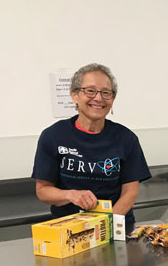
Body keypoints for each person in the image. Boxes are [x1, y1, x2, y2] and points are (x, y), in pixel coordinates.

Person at [32, 63, 151, 227]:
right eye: (90, 91)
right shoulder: (53, 136)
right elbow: (43, 191)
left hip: (115, 225)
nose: (98, 98)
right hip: (69, 229)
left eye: (106, 93)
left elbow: (130, 192)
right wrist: (71, 195)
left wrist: (107, 224)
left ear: (112, 99)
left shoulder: (126, 138)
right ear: (74, 95)